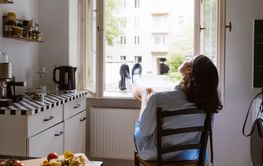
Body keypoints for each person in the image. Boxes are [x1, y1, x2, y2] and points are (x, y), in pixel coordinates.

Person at [131, 55, 223, 161]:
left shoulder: (159, 99)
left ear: (189, 70)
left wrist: (146, 100)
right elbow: (204, 135)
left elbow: (145, 131)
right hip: (188, 155)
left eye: (189, 60)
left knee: (140, 127)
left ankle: (141, 91)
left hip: (156, 156)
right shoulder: (209, 106)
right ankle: (139, 86)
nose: (186, 59)